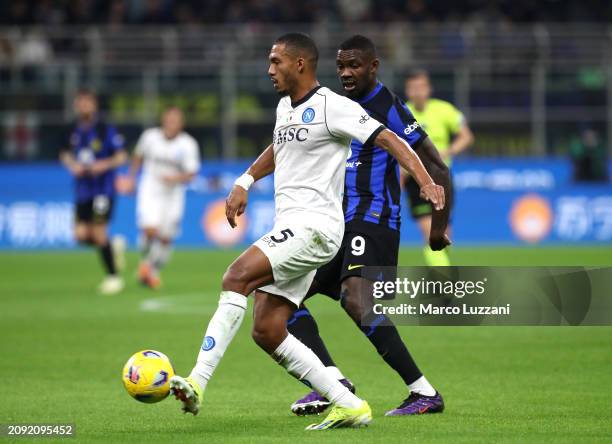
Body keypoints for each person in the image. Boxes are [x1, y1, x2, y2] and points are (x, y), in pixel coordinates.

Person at [168, 33, 445, 431]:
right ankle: (346, 401)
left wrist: (424, 181)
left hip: (316, 228)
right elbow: (279, 148)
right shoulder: (285, 108)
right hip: (294, 227)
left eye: (275, 61)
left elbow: (391, 138)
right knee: (267, 327)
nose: (269, 70)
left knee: (236, 277)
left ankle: (197, 380)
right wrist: (245, 180)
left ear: (300, 64)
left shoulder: (335, 107)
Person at [287, 35, 451, 417]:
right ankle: (331, 383)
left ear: (373, 67)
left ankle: (424, 392)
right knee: (282, 299)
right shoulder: (332, 104)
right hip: (336, 224)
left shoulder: (388, 106)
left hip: (375, 219)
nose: (346, 73)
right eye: (341, 66)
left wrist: (438, 228)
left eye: (354, 66)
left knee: (357, 300)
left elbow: (437, 165)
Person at [121, 106, 200, 289]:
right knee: (149, 230)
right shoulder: (150, 137)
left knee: (166, 238)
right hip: (151, 188)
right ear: (163, 120)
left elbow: (191, 173)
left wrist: (175, 178)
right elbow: (138, 156)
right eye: (169, 119)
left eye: (176, 120)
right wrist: (131, 179)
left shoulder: (188, 144)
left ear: (181, 124)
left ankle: (151, 270)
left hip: (173, 193)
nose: (172, 123)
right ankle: (145, 263)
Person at [402, 69, 474, 266]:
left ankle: (442, 275)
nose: (417, 92)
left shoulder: (444, 110)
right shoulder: (401, 113)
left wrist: (448, 151)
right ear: (407, 91)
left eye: (421, 87)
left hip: (442, 178)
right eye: (413, 88)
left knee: (444, 237)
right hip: (415, 180)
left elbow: (466, 136)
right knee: (430, 234)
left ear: (429, 89)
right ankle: (443, 283)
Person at [59, 89, 127, 295]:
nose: (84, 106)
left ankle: (113, 277)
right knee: (80, 235)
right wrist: (72, 165)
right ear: (76, 105)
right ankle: (111, 245)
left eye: (88, 102)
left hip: (102, 189)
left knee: (98, 232)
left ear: (94, 105)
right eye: (80, 102)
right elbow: (64, 154)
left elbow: (121, 156)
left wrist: (102, 165)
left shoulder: (104, 128)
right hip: (82, 189)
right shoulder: (72, 129)